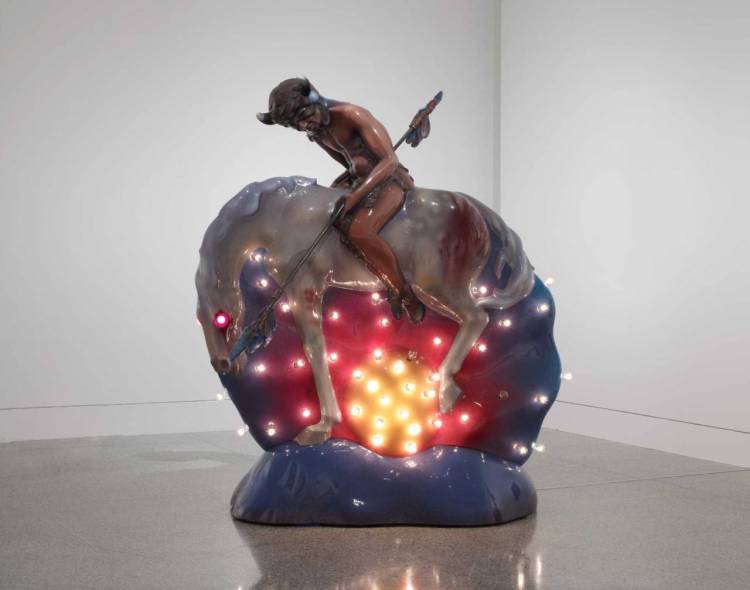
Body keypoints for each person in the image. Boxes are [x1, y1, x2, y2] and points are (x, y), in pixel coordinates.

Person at [257, 77, 425, 323]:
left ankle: (403, 291)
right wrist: (341, 189)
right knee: (323, 218)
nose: (304, 126)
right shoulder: (316, 131)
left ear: (315, 100)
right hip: (358, 180)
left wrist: (356, 195)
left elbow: (389, 161)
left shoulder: (352, 115)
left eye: (305, 117)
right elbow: (348, 163)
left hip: (389, 179)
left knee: (360, 231)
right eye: (296, 125)